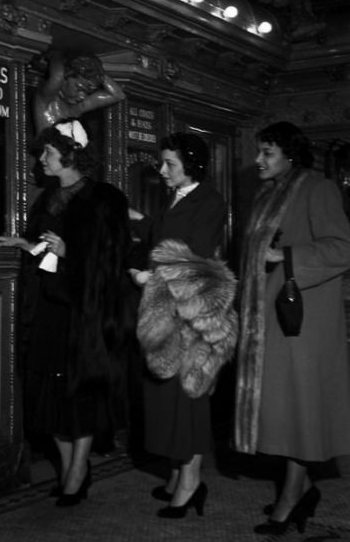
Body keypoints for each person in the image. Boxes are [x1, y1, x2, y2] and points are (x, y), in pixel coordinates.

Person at [0, 119, 131, 507]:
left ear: (70, 154)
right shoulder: (46, 197)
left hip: (82, 314)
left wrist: (71, 254)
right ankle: (70, 469)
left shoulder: (105, 198)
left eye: (48, 152)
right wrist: (25, 243)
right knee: (48, 395)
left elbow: (111, 259)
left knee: (77, 396)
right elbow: (46, 250)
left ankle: (78, 471)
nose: (42, 160)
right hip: (48, 309)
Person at [235, 121, 350, 535]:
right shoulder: (269, 192)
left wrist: (285, 254)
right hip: (270, 321)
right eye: (259, 151)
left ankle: (291, 498)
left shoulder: (318, 188)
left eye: (267, 152)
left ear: (289, 154)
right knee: (285, 413)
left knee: (300, 411)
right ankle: (298, 490)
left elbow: (343, 247)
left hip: (302, 323)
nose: (258, 160)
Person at [130, 132, 229, 518]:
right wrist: (144, 223)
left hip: (188, 315)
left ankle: (191, 482)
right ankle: (177, 473)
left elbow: (196, 260)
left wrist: (149, 280)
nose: (162, 169)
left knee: (187, 398)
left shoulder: (210, 201)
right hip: (165, 313)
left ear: (192, 164)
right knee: (167, 396)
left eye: (170, 163)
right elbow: (171, 236)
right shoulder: (179, 197)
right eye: (163, 162)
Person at [32, 50, 126, 133]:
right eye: (79, 88)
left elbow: (118, 95)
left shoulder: (77, 107)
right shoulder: (48, 100)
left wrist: (96, 71)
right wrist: (56, 56)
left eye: (87, 93)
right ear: (66, 77)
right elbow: (57, 77)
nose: (82, 96)